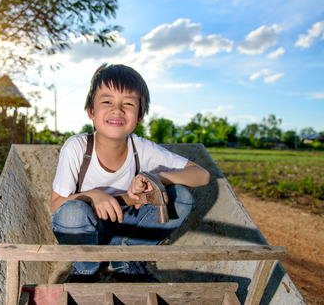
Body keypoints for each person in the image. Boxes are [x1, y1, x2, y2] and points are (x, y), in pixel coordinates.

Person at [50, 63, 210, 282]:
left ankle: (126, 258)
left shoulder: (142, 148)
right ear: (91, 111)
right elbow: (56, 204)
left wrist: (157, 178)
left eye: (128, 103)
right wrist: (93, 196)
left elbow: (201, 175)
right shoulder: (77, 147)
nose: (117, 110)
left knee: (181, 197)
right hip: (88, 228)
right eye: (107, 101)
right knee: (71, 213)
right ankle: (86, 269)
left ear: (140, 115)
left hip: (129, 226)